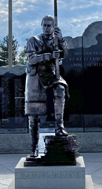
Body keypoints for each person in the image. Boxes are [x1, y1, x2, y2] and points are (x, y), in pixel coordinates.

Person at [25, 15, 69, 158]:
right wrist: (49, 55)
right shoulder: (33, 40)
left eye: (49, 26)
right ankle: (33, 147)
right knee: (34, 115)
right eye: (44, 25)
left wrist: (61, 40)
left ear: (54, 26)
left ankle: (59, 127)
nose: (46, 28)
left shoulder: (56, 39)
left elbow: (65, 53)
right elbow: (31, 59)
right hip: (35, 77)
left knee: (60, 89)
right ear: (41, 25)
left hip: (51, 75)